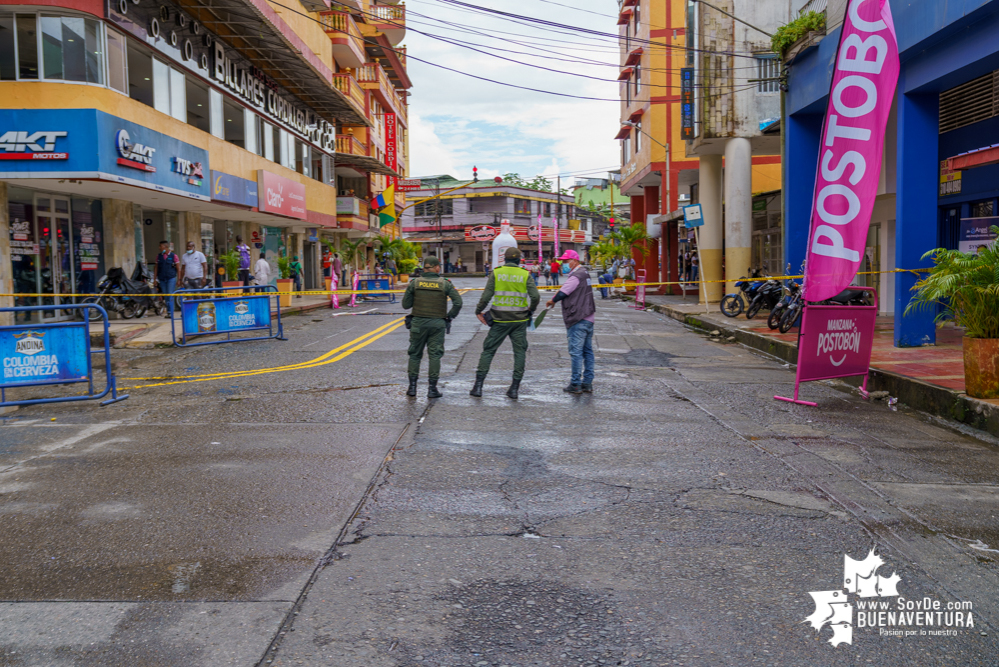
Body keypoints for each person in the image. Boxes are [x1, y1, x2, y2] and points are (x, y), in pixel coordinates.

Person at [471, 247, 540, 400]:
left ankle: (478, 387)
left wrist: (478, 311)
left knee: (488, 351)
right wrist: (531, 311)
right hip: (519, 320)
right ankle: (514, 389)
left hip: (499, 319)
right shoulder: (525, 274)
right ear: (518, 260)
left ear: (505, 259)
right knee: (519, 352)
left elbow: (486, 296)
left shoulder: (497, 272)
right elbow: (535, 296)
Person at [402, 256, 462, 398]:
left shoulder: (414, 283)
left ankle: (412, 388)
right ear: (436, 268)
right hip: (437, 324)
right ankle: (432, 389)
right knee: (435, 356)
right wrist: (450, 316)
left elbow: (406, 305)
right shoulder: (445, 283)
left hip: (418, 323)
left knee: (415, 355)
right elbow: (458, 302)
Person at [546, 250, 596, 394]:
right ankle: (587, 383)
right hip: (589, 317)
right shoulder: (585, 274)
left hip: (578, 318)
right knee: (588, 352)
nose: (564, 264)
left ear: (575, 260)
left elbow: (563, 292)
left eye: (566, 261)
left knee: (576, 353)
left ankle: (575, 384)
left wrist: (552, 300)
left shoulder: (576, 276)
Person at [155, 241, 180, 318]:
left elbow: (178, 268)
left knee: (170, 294)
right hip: (162, 279)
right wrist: (154, 279)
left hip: (171, 278)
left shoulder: (174, 256)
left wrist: (179, 279)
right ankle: (169, 312)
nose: (159, 248)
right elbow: (156, 268)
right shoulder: (159, 256)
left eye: (160, 246)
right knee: (166, 296)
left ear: (165, 247)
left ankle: (170, 312)